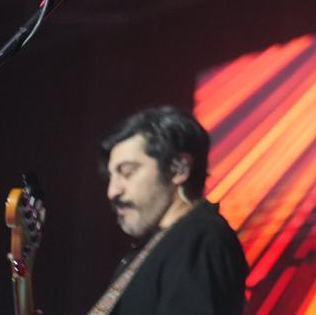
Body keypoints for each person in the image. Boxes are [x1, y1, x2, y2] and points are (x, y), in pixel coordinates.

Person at [91, 105, 247, 315]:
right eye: (111, 177)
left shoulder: (200, 238)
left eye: (127, 172)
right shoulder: (161, 243)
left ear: (179, 168)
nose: (113, 191)